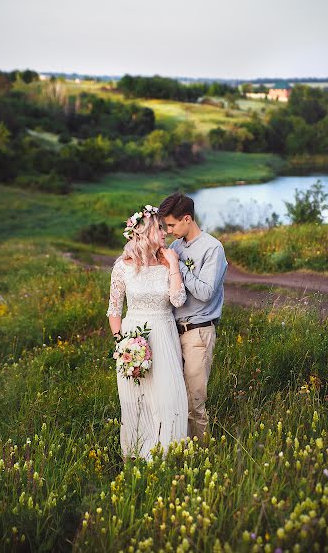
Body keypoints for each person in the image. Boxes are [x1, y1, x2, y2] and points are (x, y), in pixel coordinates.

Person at [106, 204, 188, 461]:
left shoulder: (167, 263)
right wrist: (123, 345)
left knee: (167, 396)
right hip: (132, 339)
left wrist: (173, 264)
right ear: (144, 233)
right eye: (160, 229)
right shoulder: (122, 267)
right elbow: (114, 310)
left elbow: (177, 300)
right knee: (135, 399)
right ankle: (137, 455)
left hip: (163, 334)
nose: (165, 234)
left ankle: (167, 455)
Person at [158, 193, 228, 442]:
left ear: (187, 219)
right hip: (173, 332)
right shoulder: (177, 246)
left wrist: (177, 268)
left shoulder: (212, 248)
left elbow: (206, 293)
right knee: (176, 398)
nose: (168, 230)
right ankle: (180, 449)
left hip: (198, 332)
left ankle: (203, 455)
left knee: (195, 401)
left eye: (172, 225)